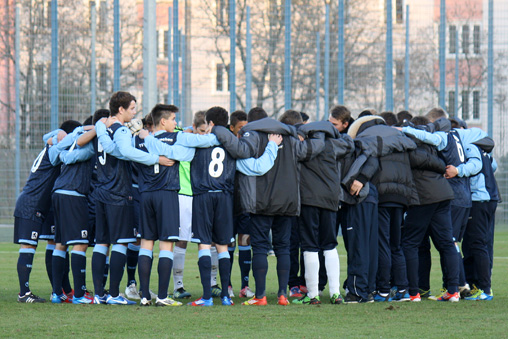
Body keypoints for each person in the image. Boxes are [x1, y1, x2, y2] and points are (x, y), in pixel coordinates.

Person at [212, 115, 325, 306]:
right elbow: (312, 149)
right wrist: (319, 131)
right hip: (287, 202)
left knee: (260, 249)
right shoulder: (291, 139)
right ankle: (282, 295)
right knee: (283, 249)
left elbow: (239, 150)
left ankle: (261, 296)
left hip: (261, 203)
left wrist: (218, 129)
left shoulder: (253, 136)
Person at [90, 91, 172, 305]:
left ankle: (100, 294)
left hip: (100, 190)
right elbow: (127, 152)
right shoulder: (120, 131)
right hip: (117, 191)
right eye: (133, 108)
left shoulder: (104, 127)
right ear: (121, 109)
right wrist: (156, 159)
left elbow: (108, 147)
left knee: (101, 243)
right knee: (120, 243)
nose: (135, 113)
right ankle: (115, 294)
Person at [133, 104, 201, 307]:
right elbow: (188, 155)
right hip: (167, 194)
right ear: (162, 121)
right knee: (166, 244)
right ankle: (162, 296)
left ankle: (144, 296)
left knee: (146, 244)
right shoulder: (174, 139)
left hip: (145, 195)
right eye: (173, 119)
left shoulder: (140, 140)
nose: (176, 123)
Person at [14, 120, 81, 303]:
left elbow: (51, 137)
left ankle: (60, 290)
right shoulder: (55, 150)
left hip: (40, 204)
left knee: (46, 244)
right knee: (28, 246)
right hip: (31, 203)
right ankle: (24, 293)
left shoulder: (52, 144)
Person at [292, 120, 354, 305]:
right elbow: (350, 143)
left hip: (309, 199)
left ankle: (313, 294)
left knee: (310, 246)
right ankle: (335, 294)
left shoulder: (302, 146)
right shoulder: (335, 144)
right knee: (330, 245)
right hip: (330, 199)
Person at [50, 114, 104, 304]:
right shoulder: (87, 144)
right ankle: (79, 295)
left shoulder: (73, 137)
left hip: (58, 192)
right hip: (73, 194)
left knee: (61, 243)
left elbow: (55, 149)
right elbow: (79, 154)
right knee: (79, 243)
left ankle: (57, 293)